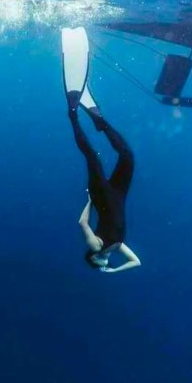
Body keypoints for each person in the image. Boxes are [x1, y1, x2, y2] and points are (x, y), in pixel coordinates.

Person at [67, 91, 141, 273]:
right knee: (128, 156)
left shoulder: (96, 247)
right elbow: (136, 262)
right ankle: (101, 122)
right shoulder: (117, 246)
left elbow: (82, 223)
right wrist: (114, 271)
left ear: (93, 258)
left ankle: (73, 115)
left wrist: (90, 201)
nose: (104, 264)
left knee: (92, 157)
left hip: (100, 197)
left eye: (99, 265)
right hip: (118, 195)